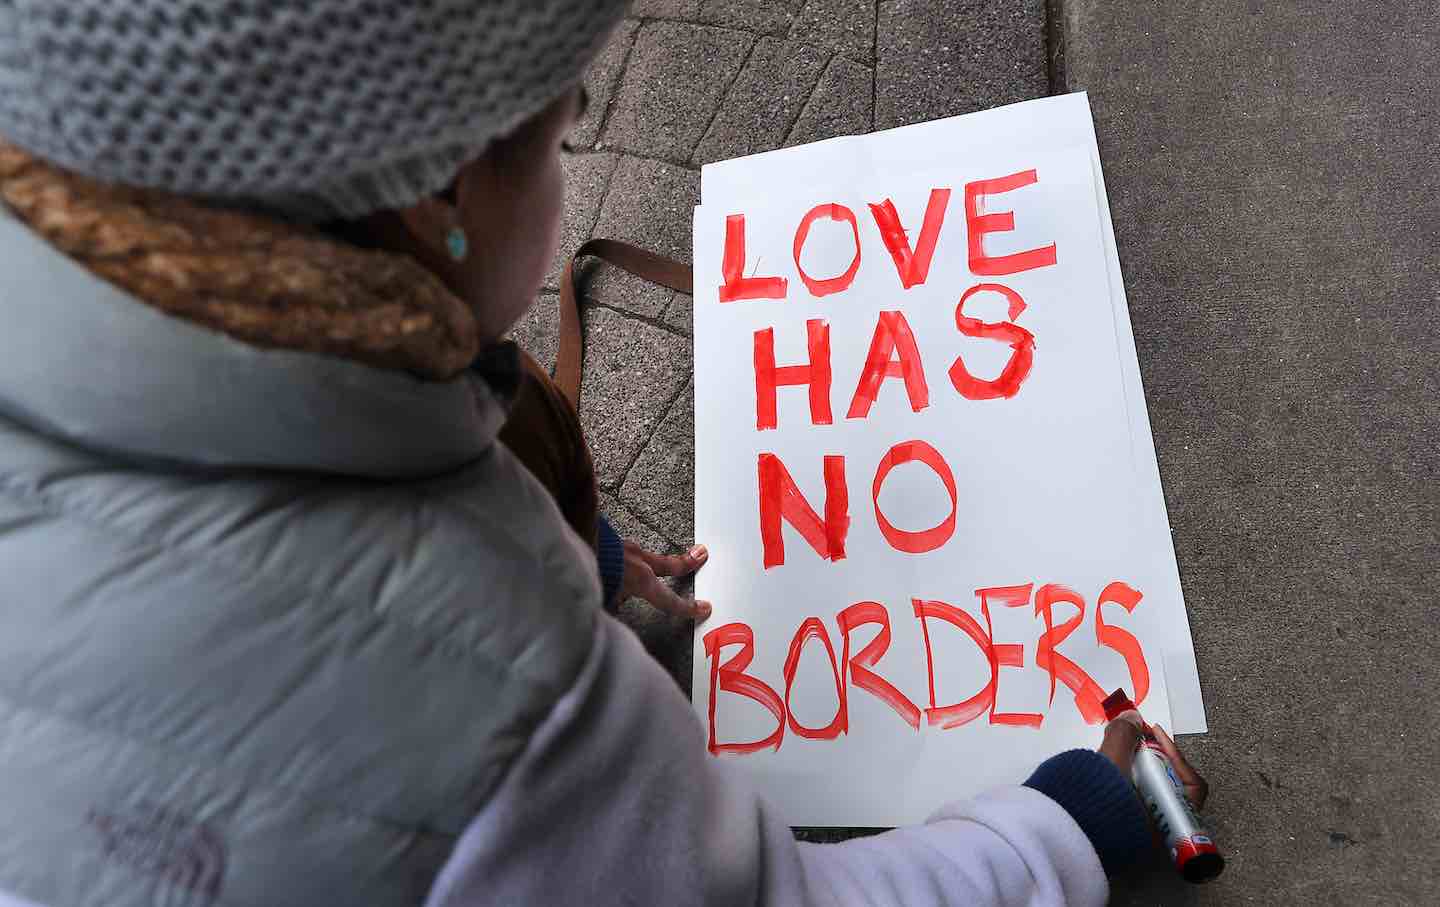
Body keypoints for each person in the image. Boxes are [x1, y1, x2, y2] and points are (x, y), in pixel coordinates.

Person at [0, 2, 1208, 906]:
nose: (571, 172)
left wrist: (595, 552)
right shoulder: (481, 681)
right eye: (563, 132)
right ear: (437, 197)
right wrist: (1075, 821)